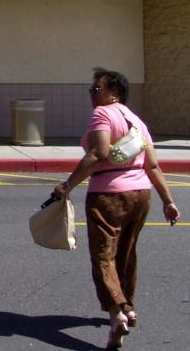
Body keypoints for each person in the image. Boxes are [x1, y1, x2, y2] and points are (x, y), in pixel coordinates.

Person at [54, 68, 180, 349]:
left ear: (114, 93)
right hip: (141, 194)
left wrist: (68, 185)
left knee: (103, 256)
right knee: (126, 251)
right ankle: (130, 307)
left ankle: (117, 314)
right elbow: (153, 165)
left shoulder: (102, 114)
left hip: (108, 195)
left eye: (96, 89)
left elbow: (98, 154)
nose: (91, 94)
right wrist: (168, 201)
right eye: (91, 89)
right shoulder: (137, 121)